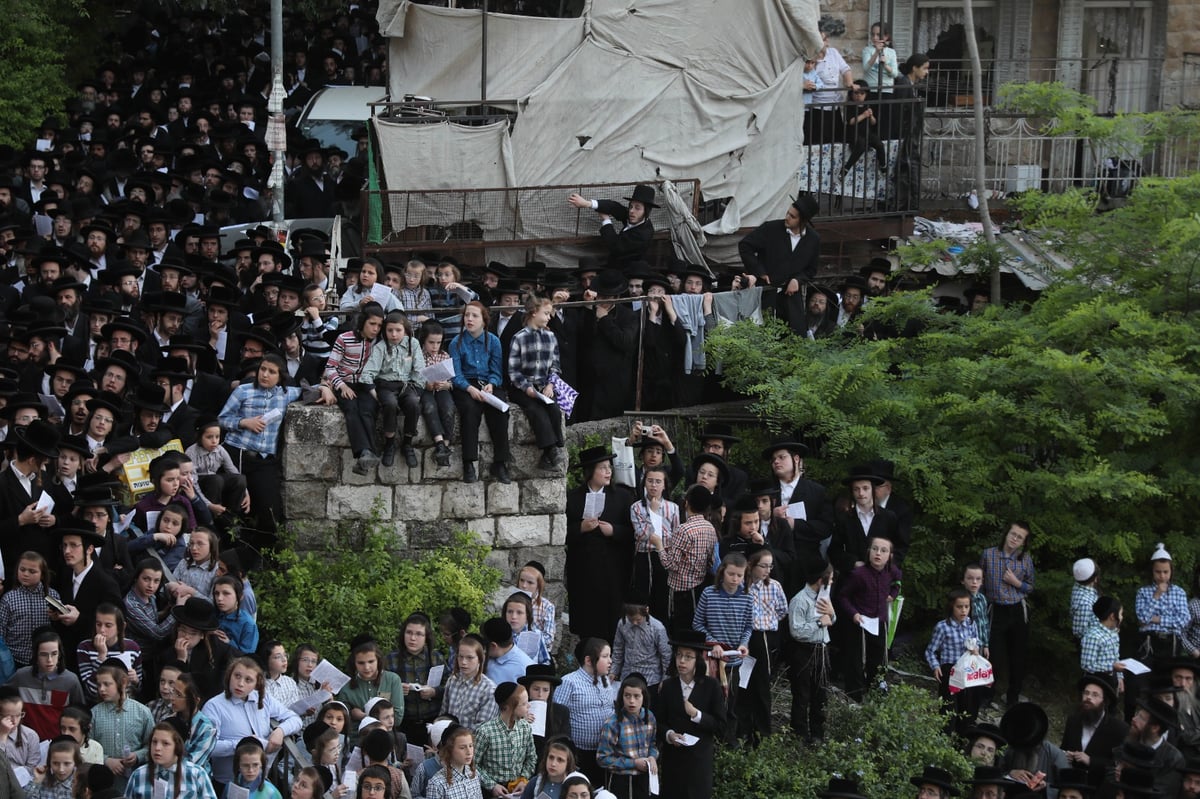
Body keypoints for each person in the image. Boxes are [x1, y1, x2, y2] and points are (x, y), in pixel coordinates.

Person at [218, 352, 332, 534]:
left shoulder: (286, 394)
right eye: (262, 369)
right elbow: (222, 419)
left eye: (271, 372)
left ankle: (265, 557)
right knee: (236, 507)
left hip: (264, 460)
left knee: (270, 511)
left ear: (280, 377)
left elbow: (310, 390)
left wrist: (324, 388)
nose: (265, 375)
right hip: (238, 453)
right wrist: (243, 422)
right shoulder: (243, 391)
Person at [564, 448, 635, 644]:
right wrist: (581, 527)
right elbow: (562, 533)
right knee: (586, 618)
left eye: (609, 467)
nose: (608, 471)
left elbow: (633, 532)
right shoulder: (573, 497)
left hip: (613, 569)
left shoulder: (622, 497)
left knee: (611, 618)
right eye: (602, 468)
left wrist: (614, 531)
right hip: (584, 569)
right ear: (590, 472)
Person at [200, 656, 302, 786]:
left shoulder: (264, 699)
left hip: (260, 781)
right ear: (229, 676)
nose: (240, 683)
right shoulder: (214, 706)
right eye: (237, 676)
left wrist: (280, 731)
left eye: (248, 680)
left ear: (256, 683)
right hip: (228, 782)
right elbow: (208, 746)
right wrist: (243, 744)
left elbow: (295, 719)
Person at [736, 195, 820, 334]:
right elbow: (745, 246)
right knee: (764, 333)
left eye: (792, 216)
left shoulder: (813, 239)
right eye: (788, 213)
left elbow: (811, 270)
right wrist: (759, 271)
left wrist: (797, 280)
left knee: (794, 336)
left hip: (792, 298)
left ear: (803, 220)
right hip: (767, 291)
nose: (787, 217)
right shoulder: (771, 229)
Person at [656, 630, 725, 799]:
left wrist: (697, 714)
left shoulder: (711, 686)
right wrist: (669, 734)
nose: (682, 661)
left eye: (688, 656)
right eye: (679, 655)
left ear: (697, 660)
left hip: (699, 761)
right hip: (673, 761)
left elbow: (721, 726)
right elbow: (658, 722)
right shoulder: (667, 686)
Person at [448, 301, 511, 484]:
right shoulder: (456, 342)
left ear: (484, 320)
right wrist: (469, 388)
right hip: (466, 384)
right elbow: (456, 375)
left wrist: (491, 384)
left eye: (474, 316)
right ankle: (469, 462)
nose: (469, 319)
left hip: (487, 383)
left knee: (500, 412)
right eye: (467, 315)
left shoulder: (493, 341)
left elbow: (496, 371)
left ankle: (500, 462)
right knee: (469, 411)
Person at [691, 552, 752, 742]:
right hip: (712, 660)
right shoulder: (709, 593)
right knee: (709, 700)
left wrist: (744, 644)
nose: (735, 579)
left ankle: (728, 741)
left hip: (733, 661)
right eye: (731, 574)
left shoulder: (747, 597)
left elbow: (749, 626)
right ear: (722, 572)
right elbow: (697, 623)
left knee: (730, 702)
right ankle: (709, 739)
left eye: (739, 575)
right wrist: (713, 642)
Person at [835, 531, 901, 702]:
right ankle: (855, 698)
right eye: (875, 549)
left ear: (890, 555)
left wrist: (892, 595)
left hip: (879, 621)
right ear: (869, 552)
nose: (878, 553)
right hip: (861, 621)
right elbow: (843, 596)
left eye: (883, 550)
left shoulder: (892, 571)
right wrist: (854, 614)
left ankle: (877, 695)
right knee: (857, 661)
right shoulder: (859, 574)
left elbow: (897, 583)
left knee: (878, 660)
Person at [325, 301, 385, 474]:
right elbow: (330, 368)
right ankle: (365, 452)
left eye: (379, 325)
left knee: (368, 409)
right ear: (362, 322)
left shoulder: (378, 344)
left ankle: (366, 456)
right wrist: (342, 386)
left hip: (365, 384)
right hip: (344, 383)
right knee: (351, 408)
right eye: (372, 324)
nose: (375, 329)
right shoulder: (344, 339)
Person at [506, 295, 564, 472]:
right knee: (535, 410)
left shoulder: (551, 337)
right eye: (546, 313)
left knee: (554, 410)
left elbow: (555, 366)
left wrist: (550, 385)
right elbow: (513, 371)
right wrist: (527, 388)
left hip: (542, 386)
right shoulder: (519, 338)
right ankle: (552, 450)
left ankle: (552, 453)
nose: (549, 317)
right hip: (522, 387)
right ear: (533, 313)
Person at [981, 522, 1035, 707]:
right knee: (992, 654)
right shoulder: (989, 554)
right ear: (1006, 534)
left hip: (1017, 610)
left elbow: (1031, 586)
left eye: (1019, 537)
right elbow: (979, 581)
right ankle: (987, 694)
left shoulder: (1025, 559)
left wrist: (1016, 582)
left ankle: (1013, 696)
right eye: (1013, 534)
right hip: (996, 609)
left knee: (1018, 655)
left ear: (1023, 542)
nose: (1014, 539)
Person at [362, 311, 425, 469]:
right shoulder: (381, 347)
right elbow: (368, 373)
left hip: (406, 385)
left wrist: (417, 390)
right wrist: (374, 392)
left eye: (398, 330)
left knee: (413, 404)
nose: (394, 334)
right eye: (390, 330)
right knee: (389, 403)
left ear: (405, 330)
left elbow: (419, 370)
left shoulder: (413, 344)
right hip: (385, 385)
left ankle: (407, 443)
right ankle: (390, 442)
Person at [657, 485, 719, 633]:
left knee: (680, 631)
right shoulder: (710, 527)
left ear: (686, 503)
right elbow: (711, 560)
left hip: (681, 592)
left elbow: (669, 564)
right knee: (697, 630)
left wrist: (658, 545)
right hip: (701, 587)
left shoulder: (683, 529)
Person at [554, 638, 616, 786]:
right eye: (605, 656)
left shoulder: (606, 681)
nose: (610, 661)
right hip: (578, 753)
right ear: (589, 660)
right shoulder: (569, 682)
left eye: (610, 656)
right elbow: (556, 717)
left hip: (603, 751)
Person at [742, 547, 787, 745]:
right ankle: (743, 731)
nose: (767, 570)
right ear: (751, 565)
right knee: (744, 685)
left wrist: (768, 622)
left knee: (762, 685)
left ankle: (762, 733)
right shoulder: (743, 585)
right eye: (763, 566)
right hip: (745, 637)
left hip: (764, 636)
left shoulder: (774, 586)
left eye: (770, 566)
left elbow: (782, 609)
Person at [787, 556, 834, 743]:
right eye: (829, 578)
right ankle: (799, 734)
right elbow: (796, 631)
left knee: (820, 694)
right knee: (802, 694)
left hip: (822, 650)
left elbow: (831, 620)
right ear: (820, 580)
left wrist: (831, 614)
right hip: (804, 651)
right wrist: (818, 623)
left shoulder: (825, 596)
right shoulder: (799, 600)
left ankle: (817, 733)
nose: (832, 582)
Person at [6, 631, 85, 739]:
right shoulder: (21, 676)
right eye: (44, 654)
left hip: (57, 743)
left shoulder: (71, 681)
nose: (49, 660)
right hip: (25, 740)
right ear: (36, 655)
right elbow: (4, 699)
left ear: (60, 654)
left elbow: (80, 715)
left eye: (54, 654)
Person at [925, 588, 984, 736]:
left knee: (967, 708)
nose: (963, 610)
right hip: (950, 670)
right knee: (948, 708)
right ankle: (943, 740)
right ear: (951, 606)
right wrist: (935, 666)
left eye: (966, 606)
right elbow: (930, 650)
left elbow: (977, 642)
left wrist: (976, 649)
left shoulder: (971, 624)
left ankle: (961, 741)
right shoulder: (943, 627)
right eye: (959, 607)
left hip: (968, 670)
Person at [91, 660, 154, 791]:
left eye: (107, 684)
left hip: (134, 783)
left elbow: (152, 745)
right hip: (102, 784)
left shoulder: (142, 712)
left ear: (123, 683)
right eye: (99, 685)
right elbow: (86, 747)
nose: (101, 689)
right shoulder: (94, 714)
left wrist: (137, 756)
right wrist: (107, 760)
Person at [629, 465, 679, 623]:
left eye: (658, 481)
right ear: (645, 483)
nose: (654, 485)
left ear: (664, 485)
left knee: (662, 597)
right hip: (644, 557)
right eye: (650, 481)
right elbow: (642, 534)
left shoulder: (673, 508)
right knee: (643, 597)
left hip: (664, 556)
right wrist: (653, 513)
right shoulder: (636, 507)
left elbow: (675, 535)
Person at [389, 613, 446, 748]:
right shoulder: (391, 660)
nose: (413, 638)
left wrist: (434, 691)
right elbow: (380, 693)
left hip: (431, 721)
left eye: (419, 634)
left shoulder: (436, 658)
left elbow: (449, 685)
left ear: (426, 637)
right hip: (403, 723)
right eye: (409, 633)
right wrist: (396, 690)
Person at [567, 186, 657, 271]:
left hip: (626, 273)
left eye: (637, 208)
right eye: (631, 206)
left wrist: (606, 220)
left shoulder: (643, 234)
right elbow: (615, 207)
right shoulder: (636, 217)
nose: (631, 211)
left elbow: (615, 246)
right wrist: (587, 203)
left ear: (646, 212)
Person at [596, 674, 657, 799]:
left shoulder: (649, 717)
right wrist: (633, 763)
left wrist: (652, 756)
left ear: (643, 697)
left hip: (644, 779)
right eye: (627, 696)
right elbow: (602, 758)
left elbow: (652, 744)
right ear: (621, 697)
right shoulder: (613, 723)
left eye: (636, 696)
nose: (631, 701)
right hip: (622, 780)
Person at [1060, 674, 1127, 788]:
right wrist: (1065, 755)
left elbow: (1118, 765)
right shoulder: (1073, 720)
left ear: (1104, 701)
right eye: (1086, 693)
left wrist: (1091, 761)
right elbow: (1063, 748)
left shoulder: (1118, 729)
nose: (1088, 698)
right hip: (1071, 785)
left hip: (1098, 788)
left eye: (1095, 695)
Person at [124, 720, 217, 799]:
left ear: (177, 747)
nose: (157, 748)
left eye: (165, 743)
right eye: (154, 742)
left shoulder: (197, 774)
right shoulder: (138, 775)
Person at [0, 551, 60, 669]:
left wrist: (57, 617)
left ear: (42, 574)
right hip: (14, 659)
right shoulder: (9, 598)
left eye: (32, 571)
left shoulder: (52, 596)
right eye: (22, 570)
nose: (26, 574)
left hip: (44, 660)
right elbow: (1, 630)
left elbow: (60, 624)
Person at [474, 682, 536, 794]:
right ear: (509, 707)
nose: (529, 706)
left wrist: (523, 779)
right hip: (492, 791)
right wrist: (491, 785)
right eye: (524, 703)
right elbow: (473, 764)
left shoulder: (525, 727)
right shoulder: (485, 732)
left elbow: (531, 757)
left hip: (517, 790)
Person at [610, 593, 672, 693]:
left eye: (638, 620)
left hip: (650, 679)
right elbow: (618, 649)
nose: (634, 623)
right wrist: (613, 671)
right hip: (627, 675)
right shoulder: (622, 623)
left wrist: (665, 680)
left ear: (646, 611)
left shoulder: (657, 628)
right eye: (631, 619)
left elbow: (666, 656)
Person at [417, 321, 456, 467]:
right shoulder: (419, 355)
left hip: (441, 388)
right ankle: (439, 442)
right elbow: (415, 376)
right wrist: (426, 384)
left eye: (438, 343)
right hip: (426, 389)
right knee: (429, 407)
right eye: (431, 342)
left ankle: (445, 445)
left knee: (448, 407)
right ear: (423, 341)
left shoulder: (444, 355)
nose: (434, 346)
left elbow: (452, 379)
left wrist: (447, 385)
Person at [440, 635, 498, 731]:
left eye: (470, 658)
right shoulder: (452, 680)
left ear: (479, 659)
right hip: (448, 740)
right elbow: (443, 713)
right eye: (460, 657)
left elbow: (483, 728)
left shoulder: (489, 689)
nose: (463, 662)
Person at [518, 666, 571, 760]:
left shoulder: (561, 711)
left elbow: (565, 741)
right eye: (536, 689)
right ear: (528, 689)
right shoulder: (517, 711)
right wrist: (520, 722)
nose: (540, 694)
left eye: (545, 690)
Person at [840, 81, 888, 182]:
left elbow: (873, 123)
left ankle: (883, 165)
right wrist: (863, 115)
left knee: (879, 144)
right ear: (851, 94)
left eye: (862, 94)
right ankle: (846, 168)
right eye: (856, 93)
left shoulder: (867, 105)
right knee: (861, 145)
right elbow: (851, 122)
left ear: (866, 95)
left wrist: (871, 116)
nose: (859, 96)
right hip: (854, 134)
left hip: (867, 133)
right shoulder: (850, 105)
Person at [514, 563, 556, 661]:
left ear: (538, 585)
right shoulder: (511, 601)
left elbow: (549, 638)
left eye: (530, 583)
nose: (524, 586)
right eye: (522, 581)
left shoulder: (546, 606)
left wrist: (529, 639)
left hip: (537, 656)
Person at [1071, 558, 1101, 644]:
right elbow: (1080, 632)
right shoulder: (1084, 603)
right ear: (1095, 579)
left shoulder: (1079, 586)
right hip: (1092, 645)